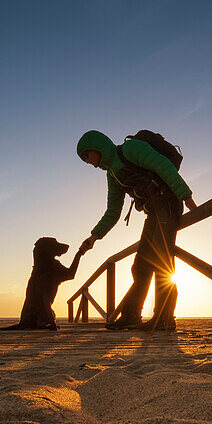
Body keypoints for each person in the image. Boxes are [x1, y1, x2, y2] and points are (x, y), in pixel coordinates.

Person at [76, 130, 196, 330]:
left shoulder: (130, 149)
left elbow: (162, 165)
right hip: (152, 213)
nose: (88, 162)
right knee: (140, 266)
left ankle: (164, 318)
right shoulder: (111, 173)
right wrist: (94, 236)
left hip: (168, 203)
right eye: (84, 160)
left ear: (96, 146)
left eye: (86, 156)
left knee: (162, 262)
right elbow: (113, 211)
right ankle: (131, 316)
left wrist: (186, 196)